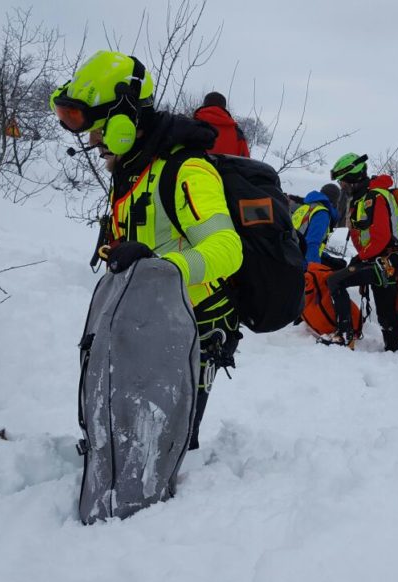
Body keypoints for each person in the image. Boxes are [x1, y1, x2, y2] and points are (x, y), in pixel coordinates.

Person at [50, 51, 243, 450]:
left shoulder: (186, 170)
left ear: (123, 123)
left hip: (193, 324)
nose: (91, 140)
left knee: (166, 445)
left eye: (98, 129)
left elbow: (227, 248)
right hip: (146, 317)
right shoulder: (135, 169)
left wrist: (156, 269)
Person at [326, 152, 398, 351]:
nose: (342, 186)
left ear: (353, 177)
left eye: (343, 181)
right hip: (380, 261)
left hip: (384, 261)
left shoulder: (375, 197)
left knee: (335, 281)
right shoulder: (363, 198)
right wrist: (360, 257)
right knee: (385, 312)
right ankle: (394, 350)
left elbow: (380, 238)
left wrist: (361, 257)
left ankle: (345, 335)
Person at [291, 183, 346, 270]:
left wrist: (328, 258)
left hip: (291, 255)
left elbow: (302, 237)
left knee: (338, 264)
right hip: (301, 263)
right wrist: (314, 271)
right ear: (334, 200)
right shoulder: (321, 213)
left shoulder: (304, 208)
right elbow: (311, 243)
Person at [193, 92, 251, 157]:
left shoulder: (190, 126)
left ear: (204, 105)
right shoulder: (237, 133)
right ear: (224, 107)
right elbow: (246, 161)